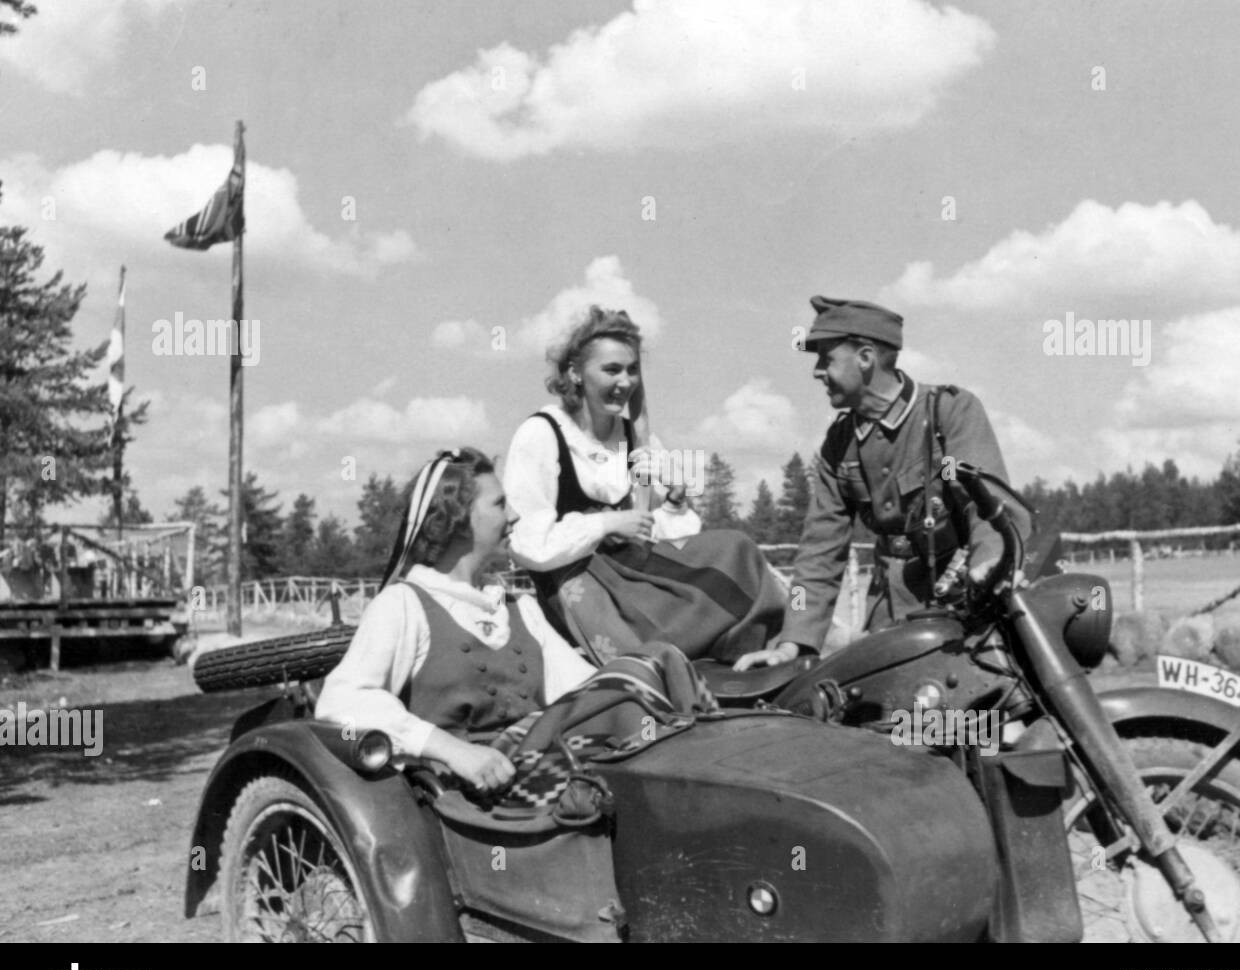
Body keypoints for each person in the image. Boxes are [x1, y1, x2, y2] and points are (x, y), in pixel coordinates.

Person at [315, 448, 712, 796]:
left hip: (537, 773)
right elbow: (342, 701)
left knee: (653, 665)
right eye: (500, 504)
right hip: (460, 793)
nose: (515, 515)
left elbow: (583, 691)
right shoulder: (403, 604)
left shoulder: (518, 608)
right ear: (455, 518)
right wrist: (453, 751)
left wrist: (642, 684)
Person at [735, 296, 1033, 670]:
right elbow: (818, 550)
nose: (816, 372)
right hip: (888, 614)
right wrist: (794, 639)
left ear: (865, 357)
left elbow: (986, 503)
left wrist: (989, 562)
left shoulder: (948, 411)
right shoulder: (838, 444)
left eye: (826, 358)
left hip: (967, 604)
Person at [503, 306, 786, 665]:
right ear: (575, 373)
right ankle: (669, 657)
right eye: (611, 370)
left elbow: (657, 534)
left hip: (637, 570)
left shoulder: (637, 440)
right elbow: (526, 544)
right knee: (646, 646)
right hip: (582, 583)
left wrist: (675, 502)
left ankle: (752, 654)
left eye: (632, 369)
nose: (625, 382)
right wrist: (606, 524)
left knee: (737, 547)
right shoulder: (541, 434)